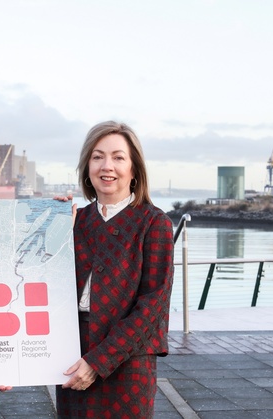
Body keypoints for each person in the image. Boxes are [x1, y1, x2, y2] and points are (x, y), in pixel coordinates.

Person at [56, 121, 174, 418]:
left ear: (134, 169)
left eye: (118, 157)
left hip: (127, 363)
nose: (107, 166)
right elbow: (40, 286)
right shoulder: (73, 221)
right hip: (73, 353)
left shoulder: (153, 223)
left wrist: (99, 362)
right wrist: (50, 231)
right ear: (87, 166)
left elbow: (152, 306)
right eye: (97, 157)